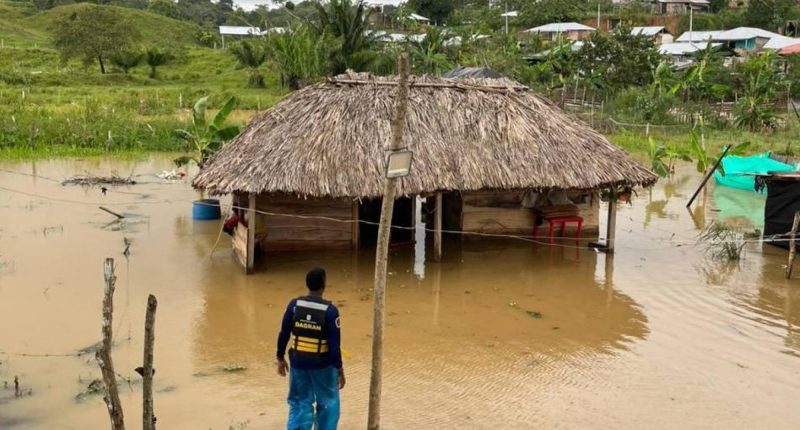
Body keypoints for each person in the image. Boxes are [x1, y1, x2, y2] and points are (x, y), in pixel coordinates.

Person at [277, 268, 345, 430]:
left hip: (298, 363)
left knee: (300, 402)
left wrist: (280, 357)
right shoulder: (330, 311)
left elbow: (284, 333)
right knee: (328, 402)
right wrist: (340, 369)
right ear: (324, 285)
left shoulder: (294, 306)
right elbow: (335, 346)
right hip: (324, 365)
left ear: (307, 285)